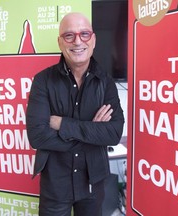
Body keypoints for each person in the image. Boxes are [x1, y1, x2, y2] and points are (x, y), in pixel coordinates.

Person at [26, 12, 124, 216]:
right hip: (55, 184)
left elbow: (113, 134)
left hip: (93, 183)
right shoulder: (42, 81)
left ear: (94, 40)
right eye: (69, 35)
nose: (78, 41)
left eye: (85, 34)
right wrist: (92, 132)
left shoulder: (105, 83)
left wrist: (62, 123)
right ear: (60, 42)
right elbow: (37, 136)